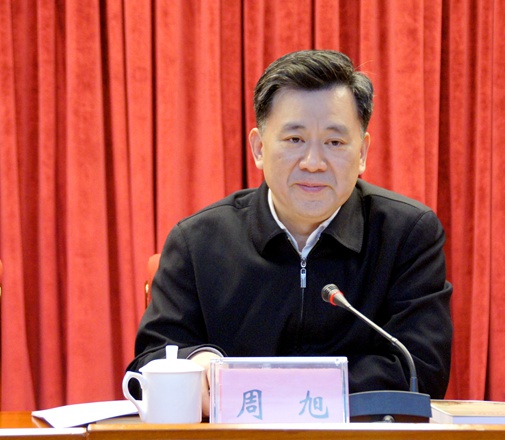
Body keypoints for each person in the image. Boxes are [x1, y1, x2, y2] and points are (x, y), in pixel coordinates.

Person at [127, 49, 453, 417]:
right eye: (295, 139)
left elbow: (421, 370)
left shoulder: (407, 235)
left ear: (362, 152)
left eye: (334, 142)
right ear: (259, 148)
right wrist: (196, 361)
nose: (313, 163)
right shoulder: (197, 241)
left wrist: (262, 391)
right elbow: (149, 363)